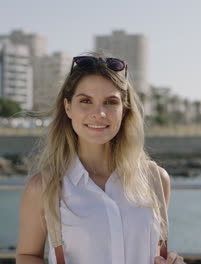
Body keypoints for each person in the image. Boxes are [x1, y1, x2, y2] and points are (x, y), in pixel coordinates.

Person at [15, 53, 185, 264]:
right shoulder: (44, 187)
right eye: (85, 101)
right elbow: (27, 256)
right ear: (68, 107)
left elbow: (156, 252)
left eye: (110, 102)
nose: (99, 113)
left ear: (124, 110)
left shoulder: (155, 179)